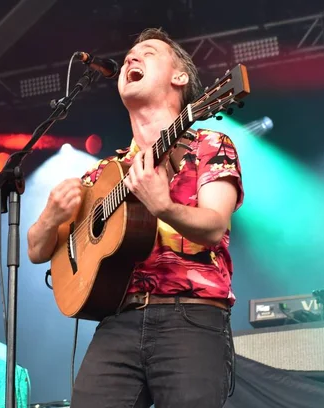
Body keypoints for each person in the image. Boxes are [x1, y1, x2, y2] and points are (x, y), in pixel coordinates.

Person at [27, 27, 243, 408]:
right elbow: (37, 250)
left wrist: (164, 207)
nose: (131, 58)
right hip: (117, 323)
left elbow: (214, 226)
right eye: (128, 55)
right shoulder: (105, 174)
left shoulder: (209, 145)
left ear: (179, 78)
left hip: (190, 319)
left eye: (148, 53)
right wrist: (50, 216)